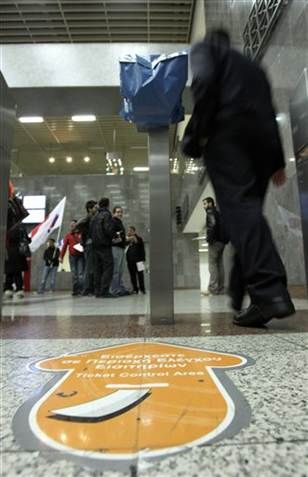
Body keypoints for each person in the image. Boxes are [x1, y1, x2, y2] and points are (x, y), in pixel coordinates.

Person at [182, 28, 295, 327]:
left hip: (228, 137)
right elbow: (269, 112)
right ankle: (242, 293)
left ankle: (270, 292)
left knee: (240, 211)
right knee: (246, 216)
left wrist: (196, 137)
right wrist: (277, 161)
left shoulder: (206, 51)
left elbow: (204, 83)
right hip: (261, 145)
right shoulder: (253, 67)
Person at [89, 197, 115, 298]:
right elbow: (108, 229)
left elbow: (90, 232)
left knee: (97, 269)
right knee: (108, 267)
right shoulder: (107, 215)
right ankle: (104, 291)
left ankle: (98, 291)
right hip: (104, 245)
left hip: (95, 246)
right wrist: (113, 236)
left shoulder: (95, 216)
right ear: (108, 204)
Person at [203, 197, 226, 295]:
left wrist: (209, 239)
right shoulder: (218, 213)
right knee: (219, 264)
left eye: (205, 204)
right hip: (222, 242)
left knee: (212, 265)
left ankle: (212, 288)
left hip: (214, 242)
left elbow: (212, 225)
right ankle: (220, 288)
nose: (203, 206)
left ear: (210, 204)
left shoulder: (210, 212)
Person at [76, 200, 97, 296]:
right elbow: (77, 225)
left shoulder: (92, 218)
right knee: (89, 268)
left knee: (91, 268)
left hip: (91, 245)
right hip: (89, 245)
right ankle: (87, 290)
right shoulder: (88, 218)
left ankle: (90, 289)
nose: (97, 209)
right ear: (89, 209)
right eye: (95, 207)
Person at [4, 224, 31, 299]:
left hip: (8, 253)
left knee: (9, 273)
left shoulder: (6, 228)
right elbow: (27, 240)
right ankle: (19, 290)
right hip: (19, 253)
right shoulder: (21, 228)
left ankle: (8, 290)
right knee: (18, 273)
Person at [59, 220, 85, 296]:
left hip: (81, 256)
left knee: (80, 274)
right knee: (74, 274)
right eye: (71, 225)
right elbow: (64, 247)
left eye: (74, 225)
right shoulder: (68, 235)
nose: (72, 226)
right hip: (72, 257)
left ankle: (81, 290)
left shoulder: (81, 234)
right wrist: (61, 256)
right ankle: (75, 290)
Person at [110, 206, 130, 296]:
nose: (120, 213)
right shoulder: (112, 221)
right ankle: (114, 290)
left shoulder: (119, 222)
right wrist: (118, 239)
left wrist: (125, 240)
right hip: (115, 248)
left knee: (121, 270)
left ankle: (120, 288)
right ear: (114, 213)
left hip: (121, 248)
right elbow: (112, 234)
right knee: (116, 270)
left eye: (121, 212)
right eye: (118, 212)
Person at [126, 226, 146, 294]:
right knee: (132, 275)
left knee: (140, 275)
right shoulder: (127, 240)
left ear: (134, 231)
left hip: (139, 260)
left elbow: (142, 249)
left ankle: (142, 289)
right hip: (130, 261)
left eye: (131, 231)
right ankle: (135, 289)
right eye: (129, 231)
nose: (129, 232)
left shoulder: (139, 239)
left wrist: (143, 259)